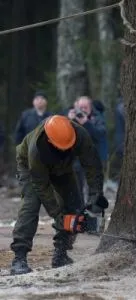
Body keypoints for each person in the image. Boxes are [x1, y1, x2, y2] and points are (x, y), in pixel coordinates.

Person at [10, 115, 107, 275]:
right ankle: (19, 257)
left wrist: (95, 199)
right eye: (61, 147)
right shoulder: (36, 149)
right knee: (31, 205)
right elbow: (42, 186)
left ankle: (61, 253)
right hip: (31, 168)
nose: (64, 148)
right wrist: (58, 216)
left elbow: (93, 167)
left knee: (75, 206)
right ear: (49, 140)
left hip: (62, 168)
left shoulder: (80, 135)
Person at [68, 96, 107, 202]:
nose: (83, 110)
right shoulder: (72, 118)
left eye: (85, 107)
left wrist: (86, 123)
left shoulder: (98, 118)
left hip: (93, 159)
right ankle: (79, 213)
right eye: (80, 107)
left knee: (94, 189)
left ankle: (94, 214)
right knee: (76, 188)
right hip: (76, 159)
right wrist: (69, 120)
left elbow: (99, 135)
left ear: (91, 107)